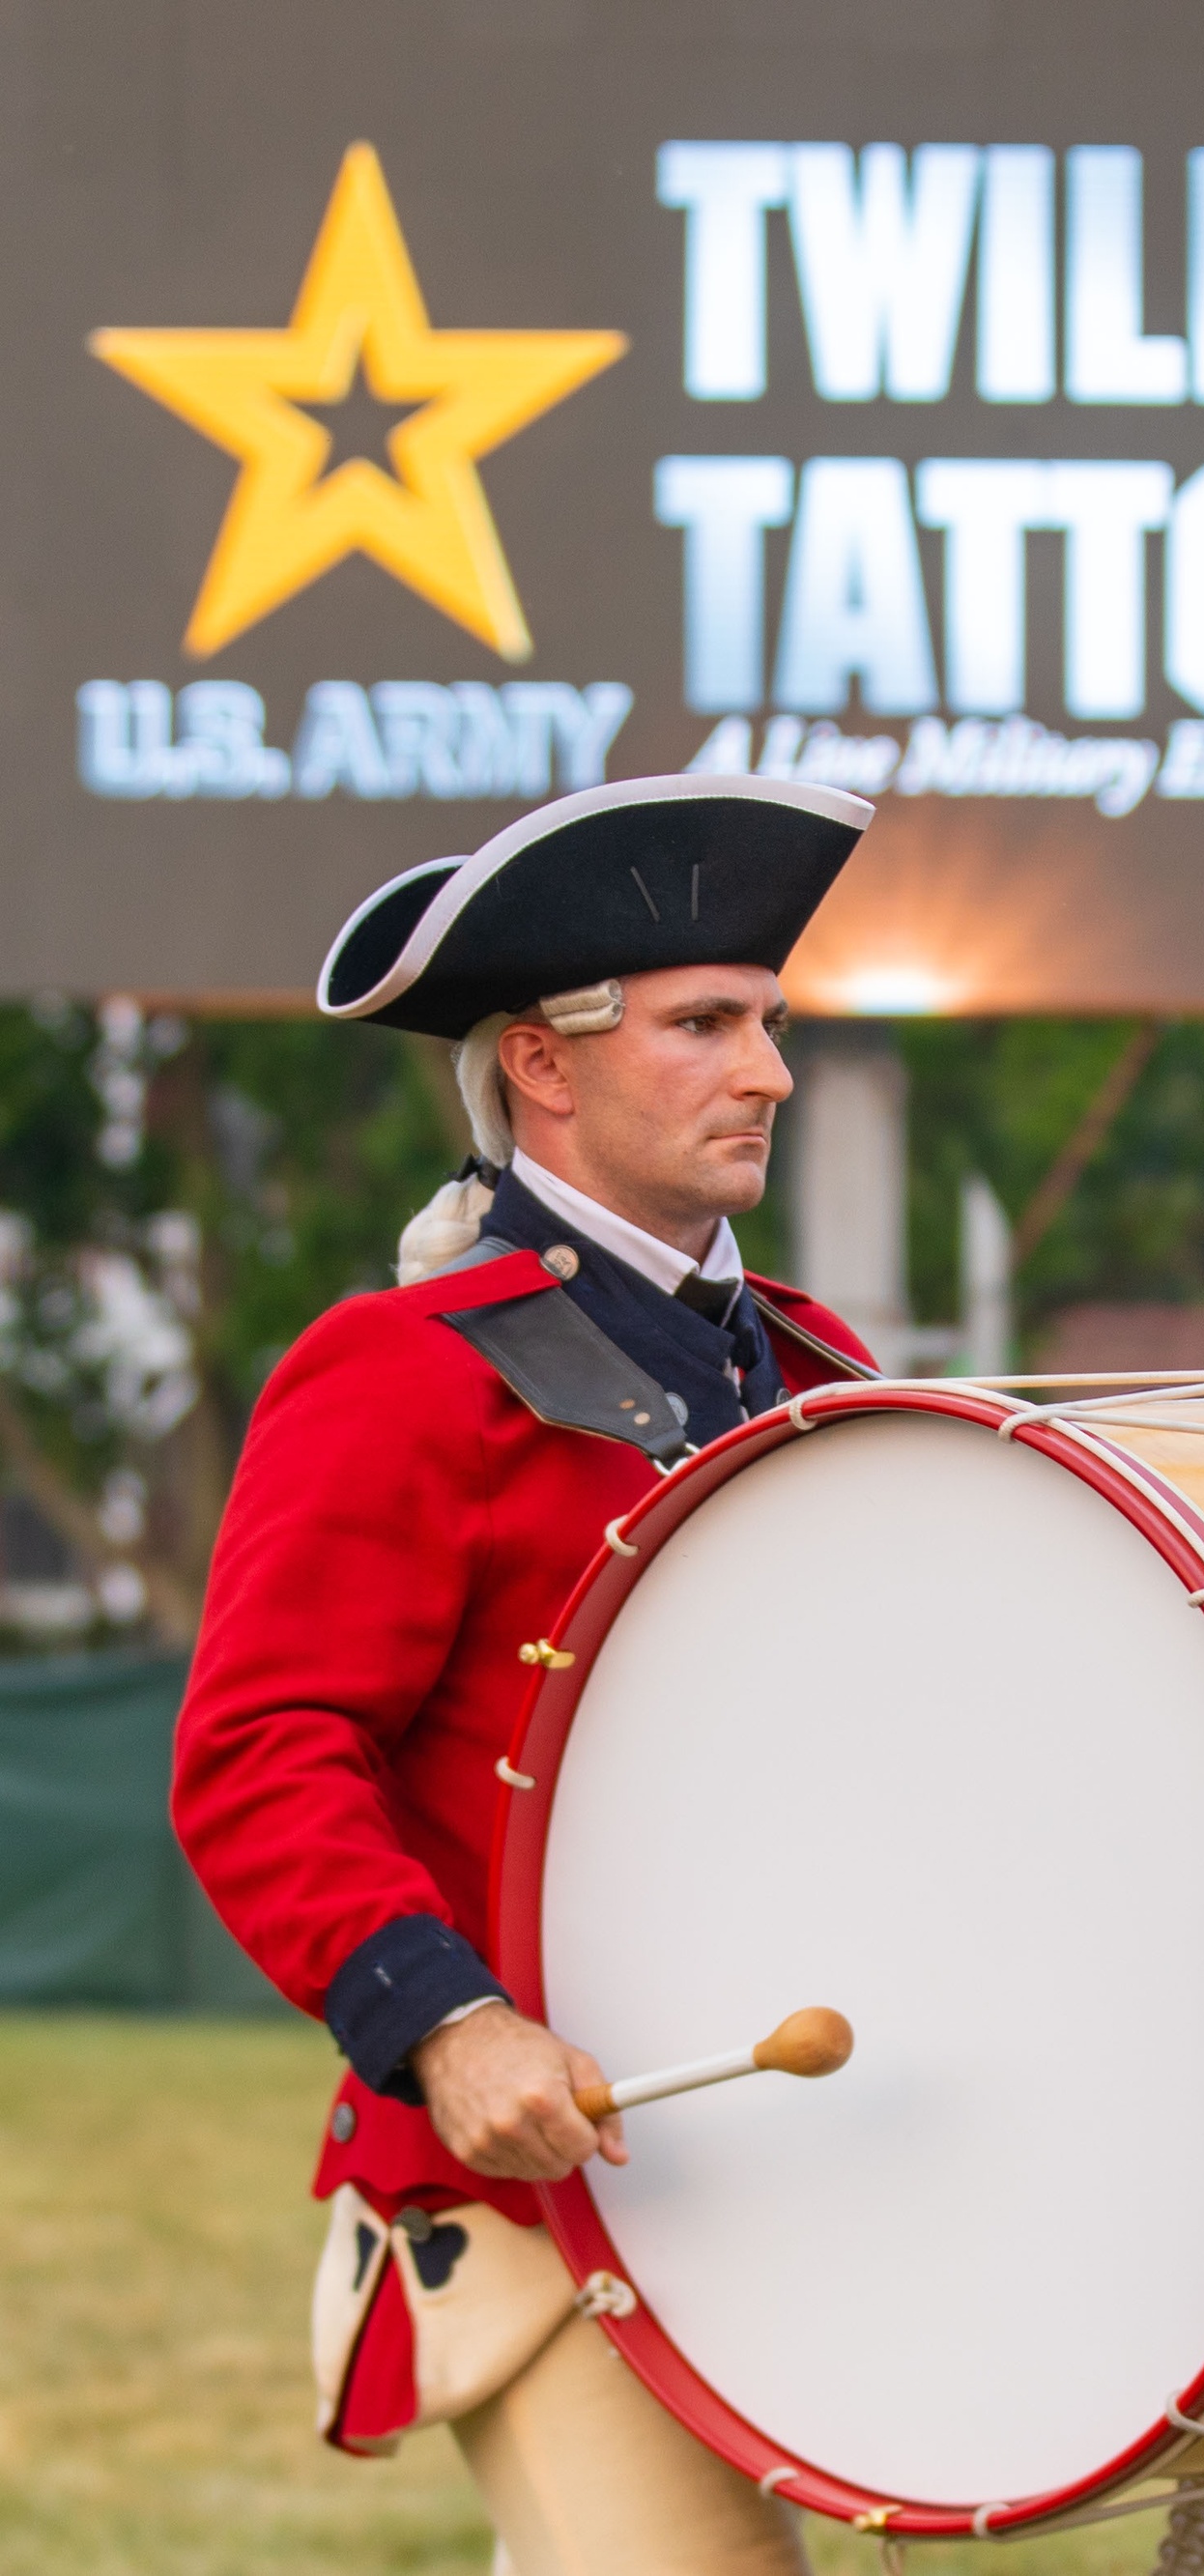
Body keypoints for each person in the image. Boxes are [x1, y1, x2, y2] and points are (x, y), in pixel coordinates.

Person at [172, 775, 878, 2576]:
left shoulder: (821, 1363)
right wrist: (447, 2016)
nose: (769, 1072)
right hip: (542, 2187)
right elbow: (261, 1747)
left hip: (796, 2154)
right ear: (542, 1067)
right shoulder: (399, 1373)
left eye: (772, 1024)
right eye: (706, 1025)